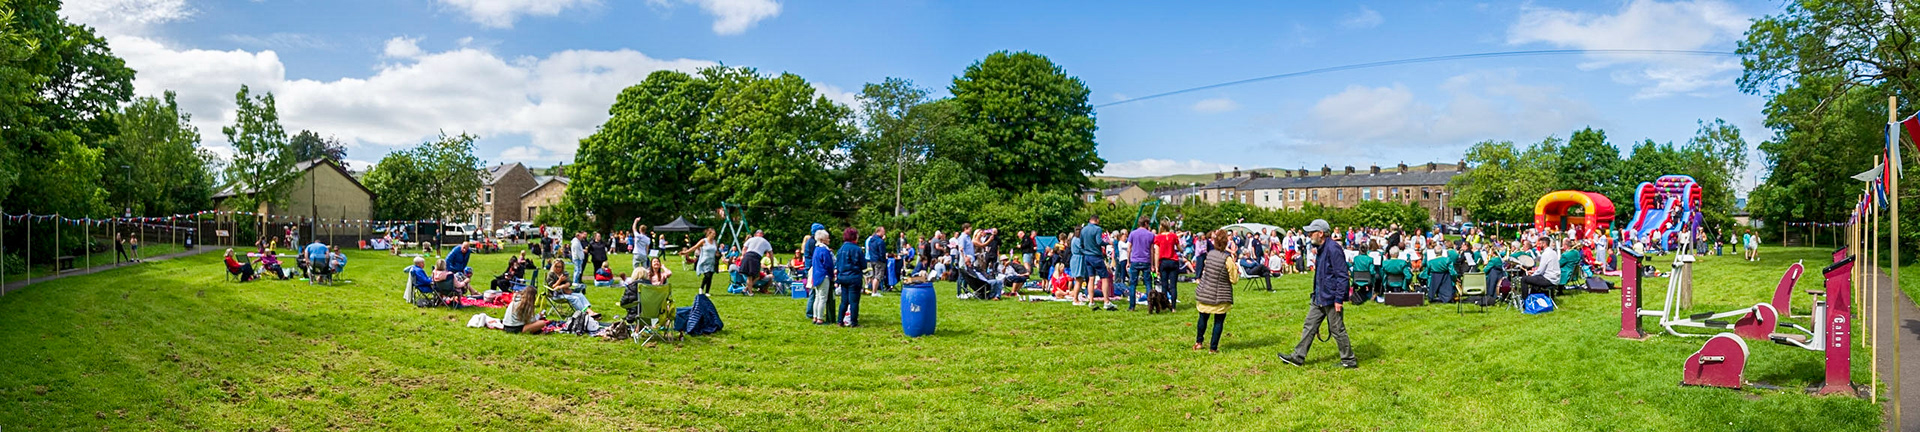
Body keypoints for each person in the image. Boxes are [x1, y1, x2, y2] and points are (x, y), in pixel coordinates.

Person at [1278, 219, 1356, 369]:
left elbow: (1343, 276)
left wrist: (1339, 299)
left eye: (1311, 232)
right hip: (1320, 296)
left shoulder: (1333, 249)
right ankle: (1297, 357)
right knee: (1309, 325)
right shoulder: (1321, 248)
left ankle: (1349, 360)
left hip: (1332, 298)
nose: (1308, 235)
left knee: (1337, 329)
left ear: (1321, 233)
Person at [1194, 230, 1236, 353]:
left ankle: (1199, 342)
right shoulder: (1227, 259)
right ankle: (1213, 348)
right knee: (1218, 321)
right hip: (1221, 296)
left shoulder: (1210, 254)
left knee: (1203, 318)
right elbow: (1234, 279)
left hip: (1205, 292)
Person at [835, 228, 866, 327]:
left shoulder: (841, 249)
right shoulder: (857, 249)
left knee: (844, 301)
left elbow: (838, 264)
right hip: (854, 277)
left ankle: (840, 321)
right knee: (854, 302)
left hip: (843, 277)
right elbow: (864, 265)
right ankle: (854, 322)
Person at [1126, 218, 1155, 312]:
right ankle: (1150, 305)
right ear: (1146, 223)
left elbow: (1129, 248)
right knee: (1148, 283)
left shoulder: (1133, 233)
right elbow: (1152, 250)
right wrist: (1152, 264)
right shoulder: (1150, 234)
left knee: (1133, 284)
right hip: (1146, 260)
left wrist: (1128, 261)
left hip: (1135, 260)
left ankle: (1132, 306)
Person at [807, 230, 836, 325]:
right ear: (822, 239)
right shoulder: (824, 250)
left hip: (816, 275)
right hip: (824, 275)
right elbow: (828, 264)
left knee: (817, 297)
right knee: (823, 298)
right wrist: (832, 275)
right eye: (827, 238)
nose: (829, 240)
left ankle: (815, 317)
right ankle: (820, 318)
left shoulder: (816, 249)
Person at [742, 230, 773, 296]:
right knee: (752, 276)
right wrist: (772, 264)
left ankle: (746, 289)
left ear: (755, 234)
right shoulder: (765, 242)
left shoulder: (751, 239)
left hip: (747, 256)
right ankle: (750, 292)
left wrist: (743, 256)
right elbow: (771, 254)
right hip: (755, 257)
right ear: (762, 235)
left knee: (753, 276)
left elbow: (744, 248)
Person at [689, 228, 719, 295]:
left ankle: (707, 292)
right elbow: (695, 247)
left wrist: (718, 254)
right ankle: (701, 288)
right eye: (713, 234)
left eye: (715, 234)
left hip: (712, 261)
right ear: (709, 234)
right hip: (705, 261)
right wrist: (686, 252)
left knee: (710, 277)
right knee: (707, 275)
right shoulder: (703, 241)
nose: (714, 235)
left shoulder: (715, 242)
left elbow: (716, 251)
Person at [866, 226, 888, 296]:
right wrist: (883, 260)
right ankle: (874, 292)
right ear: (879, 232)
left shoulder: (871, 240)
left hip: (872, 259)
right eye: (883, 231)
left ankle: (874, 290)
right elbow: (882, 252)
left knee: (874, 276)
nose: (884, 233)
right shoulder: (880, 241)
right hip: (879, 261)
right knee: (878, 276)